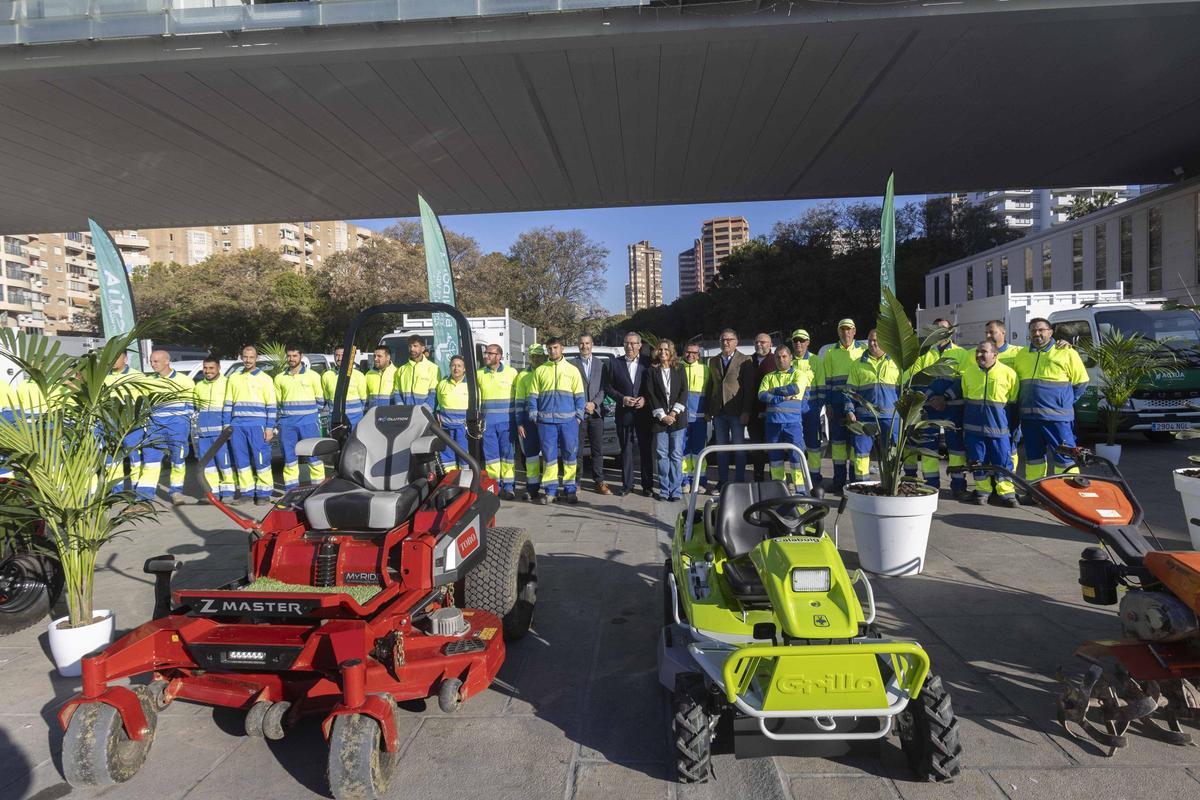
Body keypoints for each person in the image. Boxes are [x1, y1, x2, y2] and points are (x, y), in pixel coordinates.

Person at [1014, 317, 1089, 483]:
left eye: (1041, 330)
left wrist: (1065, 402)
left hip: (1057, 418)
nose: (1037, 333)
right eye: (1033, 330)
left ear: (1050, 332)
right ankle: (1035, 489)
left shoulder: (1066, 352)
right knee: (1034, 458)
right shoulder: (1021, 354)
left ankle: (1070, 490)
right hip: (1029, 419)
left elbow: (1081, 382)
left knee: (1065, 456)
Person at [912, 318, 972, 500]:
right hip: (929, 408)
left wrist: (945, 397)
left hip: (953, 408)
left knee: (956, 449)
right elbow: (916, 379)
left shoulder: (961, 354)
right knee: (928, 448)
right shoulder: (923, 354)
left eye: (944, 329)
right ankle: (930, 486)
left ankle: (959, 486)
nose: (940, 332)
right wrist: (931, 397)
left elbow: (964, 380)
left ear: (951, 331)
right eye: (936, 329)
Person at [961, 341, 1020, 507]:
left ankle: (1006, 493)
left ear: (995, 354)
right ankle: (982, 491)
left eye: (983, 352)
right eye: (977, 352)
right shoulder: (968, 372)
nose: (979, 355)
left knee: (1003, 461)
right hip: (974, 430)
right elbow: (966, 397)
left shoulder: (1009, 373)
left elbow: (1013, 402)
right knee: (977, 461)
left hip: (999, 430)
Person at [529, 337, 585, 504]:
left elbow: (580, 396)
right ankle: (550, 491)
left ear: (562, 348)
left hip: (568, 422)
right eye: (550, 348)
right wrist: (534, 415)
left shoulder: (572, 370)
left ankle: (570, 490)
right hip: (546, 423)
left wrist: (578, 417)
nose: (553, 351)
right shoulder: (540, 371)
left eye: (555, 348)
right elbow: (533, 396)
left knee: (570, 456)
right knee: (549, 458)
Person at [137, 350, 195, 505]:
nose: (152, 364)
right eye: (151, 361)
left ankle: (176, 492)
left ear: (167, 361)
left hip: (177, 427)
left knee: (178, 460)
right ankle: (144, 496)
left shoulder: (185, 381)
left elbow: (191, 406)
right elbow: (144, 404)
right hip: (154, 427)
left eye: (156, 361)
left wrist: (184, 425)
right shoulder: (149, 381)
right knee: (150, 461)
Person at [844, 330, 900, 483]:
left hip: (890, 418)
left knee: (891, 453)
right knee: (861, 454)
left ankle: (890, 485)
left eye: (876, 340)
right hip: (865, 417)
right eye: (870, 340)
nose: (872, 343)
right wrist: (849, 410)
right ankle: (862, 485)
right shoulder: (858, 364)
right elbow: (849, 391)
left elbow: (903, 390)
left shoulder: (896, 362)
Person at [223, 345, 276, 505]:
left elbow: (271, 406)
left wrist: (269, 428)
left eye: (251, 357)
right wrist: (227, 425)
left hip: (258, 425)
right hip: (237, 426)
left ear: (256, 358)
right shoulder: (233, 378)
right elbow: (228, 403)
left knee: (261, 459)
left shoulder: (265, 379)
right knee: (241, 460)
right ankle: (246, 492)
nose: (248, 360)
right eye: (245, 357)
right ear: (241, 357)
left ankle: (263, 493)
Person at [706, 328, 755, 491]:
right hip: (719, 412)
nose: (725, 342)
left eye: (729, 340)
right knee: (721, 449)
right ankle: (723, 481)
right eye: (722, 340)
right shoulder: (713, 361)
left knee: (739, 448)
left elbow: (749, 388)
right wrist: (708, 409)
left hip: (737, 412)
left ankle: (739, 481)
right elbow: (711, 386)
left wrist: (746, 411)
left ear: (736, 342)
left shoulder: (745, 360)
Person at [758, 344, 812, 488]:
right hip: (772, 424)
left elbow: (795, 388)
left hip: (793, 423)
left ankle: (800, 489)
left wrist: (773, 391)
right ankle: (778, 488)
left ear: (790, 358)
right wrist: (781, 398)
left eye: (784, 356)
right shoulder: (768, 376)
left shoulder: (799, 374)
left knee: (796, 457)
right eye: (778, 357)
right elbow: (761, 395)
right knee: (775, 459)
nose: (781, 360)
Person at [821, 319, 865, 493]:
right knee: (838, 445)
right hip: (837, 405)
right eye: (842, 329)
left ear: (854, 331)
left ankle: (854, 482)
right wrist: (828, 404)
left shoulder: (863, 350)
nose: (845, 333)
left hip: (857, 405)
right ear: (838, 332)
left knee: (856, 444)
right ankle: (839, 481)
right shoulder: (830, 352)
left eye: (849, 329)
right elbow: (827, 381)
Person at [607, 332, 653, 497]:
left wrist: (645, 399)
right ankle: (627, 485)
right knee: (626, 450)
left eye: (633, 343)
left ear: (640, 345)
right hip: (624, 413)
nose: (630, 346)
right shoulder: (614, 363)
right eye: (627, 343)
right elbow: (608, 387)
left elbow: (655, 386)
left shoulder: (648, 362)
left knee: (645, 450)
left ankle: (647, 485)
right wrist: (622, 399)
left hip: (644, 414)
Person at [274, 346, 327, 491]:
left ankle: (318, 488)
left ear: (301, 356)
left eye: (294, 356)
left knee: (313, 456)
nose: (291, 359)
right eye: (289, 356)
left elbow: (320, 400)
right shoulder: (279, 378)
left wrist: (310, 415)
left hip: (308, 423)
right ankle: (291, 490)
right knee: (289, 458)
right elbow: (278, 402)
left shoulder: (313, 376)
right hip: (287, 424)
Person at [646, 339, 687, 501]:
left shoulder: (680, 368)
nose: (663, 352)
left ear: (671, 352)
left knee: (676, 455)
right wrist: (663, 416)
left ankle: (676, 490)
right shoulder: (651, 371)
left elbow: (684, 391)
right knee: (662, 454)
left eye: (666, 349)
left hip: (678, 419)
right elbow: (651, 394)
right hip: (659, 420)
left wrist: (674, 413)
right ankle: (664, 489)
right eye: (660, 349)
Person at [572, 334, 612, 496]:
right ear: (578, 345)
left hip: (596, 414)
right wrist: (582, 405)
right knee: (577, 450)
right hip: (578, 415)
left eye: (587, 343)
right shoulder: (572, 364)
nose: (585, 346)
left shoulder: (601, 365)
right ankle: (576, 482)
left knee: (597, 450)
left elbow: (604, 389)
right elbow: (569, 388)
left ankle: (599, 481)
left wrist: (594, 403)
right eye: (581, 343)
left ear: (592, 344)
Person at [478, 343, 519, 500]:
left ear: (499, 356)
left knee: (508, 456)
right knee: (491, 458)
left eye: (490, 353)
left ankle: (508, 487)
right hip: (488, 424)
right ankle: (494, 487)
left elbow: (519, 397)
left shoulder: (512, 373)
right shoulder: (479, 374)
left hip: (507, 423)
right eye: (486, 353)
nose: (486, 356)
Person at [104, 351, 145, 493]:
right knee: (113, 457)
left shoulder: (137, 376)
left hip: (131, 421)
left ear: (126, 359)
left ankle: (136, 489)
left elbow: (145, 399)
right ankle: (116, 491)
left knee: (134, 456)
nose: (114, 361)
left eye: (117, 358)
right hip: (110, 420)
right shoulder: (104, 377)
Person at [194, 356, 234, 501]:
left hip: (221, 433)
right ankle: (213, 494)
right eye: (205, 368)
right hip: (203, 434)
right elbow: (197, 408)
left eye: (211, 368)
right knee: (208, 465)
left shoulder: (227, 383)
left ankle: (228, 493)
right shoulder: (199, 386)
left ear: (219, 368)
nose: (207, 371)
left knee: (224, 463)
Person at [791, 329, 825, 491]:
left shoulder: (815, 360)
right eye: (795, 340)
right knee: (796, 444)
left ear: (808, 342)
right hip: (793, 410)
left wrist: (818, 407)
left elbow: (821, 385)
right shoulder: (788, 360)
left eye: (802, 340)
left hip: (811, 409)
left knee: (813, 444)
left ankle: (814, 476)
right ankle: (799, 479)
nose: (798, 343)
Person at [515, 344, 547, 500]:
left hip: (547, 421)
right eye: (533, 356)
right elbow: (519, 401)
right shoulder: (522, 376)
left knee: (549, 456)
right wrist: (519, 423)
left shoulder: (548, 371)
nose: (536, 359)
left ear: (544, 357)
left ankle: (549, 489)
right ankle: (532, 488)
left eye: (539, 356)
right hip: (529, 422)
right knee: (531, 457)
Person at [747, 332, 777, 482]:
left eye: (763, 342)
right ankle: (758, 476)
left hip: (771, 411)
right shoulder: (748, 361)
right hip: (752, 412)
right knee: (756, 447)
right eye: (757, 342)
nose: (759, 345)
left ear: (770, 344)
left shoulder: (776, 360)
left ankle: (775, 477)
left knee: (773, 446)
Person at [680, 342, 709, 494]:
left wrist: (709, 411)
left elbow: (711, 392)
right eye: (688, 352)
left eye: (694, 353)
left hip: (700, 419)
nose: (690, 355)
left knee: (699, 452)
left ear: (698, 355)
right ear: (683, 352)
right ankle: (684, 481)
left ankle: (700, 482)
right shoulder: (677, 368)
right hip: (681, 418)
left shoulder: (705, 369)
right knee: (683, 451)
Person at [435, 355, 471, 469]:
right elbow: (439, 403)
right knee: (447, 459)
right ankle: (449, 478)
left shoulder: (470, 385)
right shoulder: (442, 384)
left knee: (464, 458)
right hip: (446, 429)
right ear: (450, 367)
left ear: (464, 369)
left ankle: (464, 479)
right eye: (453, 365)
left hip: (463, 429)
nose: (456, 368)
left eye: (459, 366)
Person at [322, 346, 367, 428]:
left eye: (342, 355)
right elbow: (327, 398)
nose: (339, 358)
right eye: (337, 355)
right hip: (335, 420)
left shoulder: (359, 375)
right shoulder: (326, 375)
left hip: (355, 420)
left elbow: (364, 400)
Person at [395, 335, 439, 410]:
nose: (412, 349)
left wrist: (423, 412)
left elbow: (434, 395)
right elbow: (397, 393)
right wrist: (401, 410)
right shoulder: (401, 369)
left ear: (423, 348)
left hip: (424, 414)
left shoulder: (433, 368)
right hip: (405, 414)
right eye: (410, 346)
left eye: (415, 346)